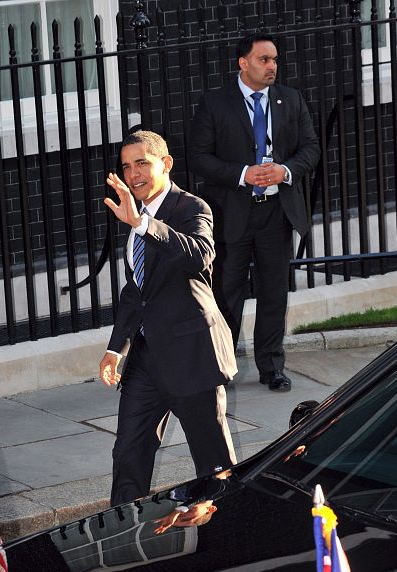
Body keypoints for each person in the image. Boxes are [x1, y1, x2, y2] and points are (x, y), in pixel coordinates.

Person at [99, 130, 237, 506]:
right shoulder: (136, 216)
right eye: (127, 167)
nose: (133, 174)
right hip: (145, 360)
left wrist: (143, 226)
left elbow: (198, 255)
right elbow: (137, 291)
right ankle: (123, 536)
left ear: (166, 164)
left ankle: (227, 525)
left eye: (142, 162)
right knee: (128, 454)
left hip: (192, 354)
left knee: (213, 464)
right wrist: (117, 349)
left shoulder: (192, 208)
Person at [188, 32, 320, 392]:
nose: (272, 66)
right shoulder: (215, 104)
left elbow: (310, 148)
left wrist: (285, 170)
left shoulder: (290, 100)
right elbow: (198, 158)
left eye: (274, 60)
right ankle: (222, 367)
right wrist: (243, 174)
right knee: (226, 291)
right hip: (233, 213)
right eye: (264, 59)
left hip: (277, 210)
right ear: (242, 63)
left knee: (274, 291)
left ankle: (272, 367)